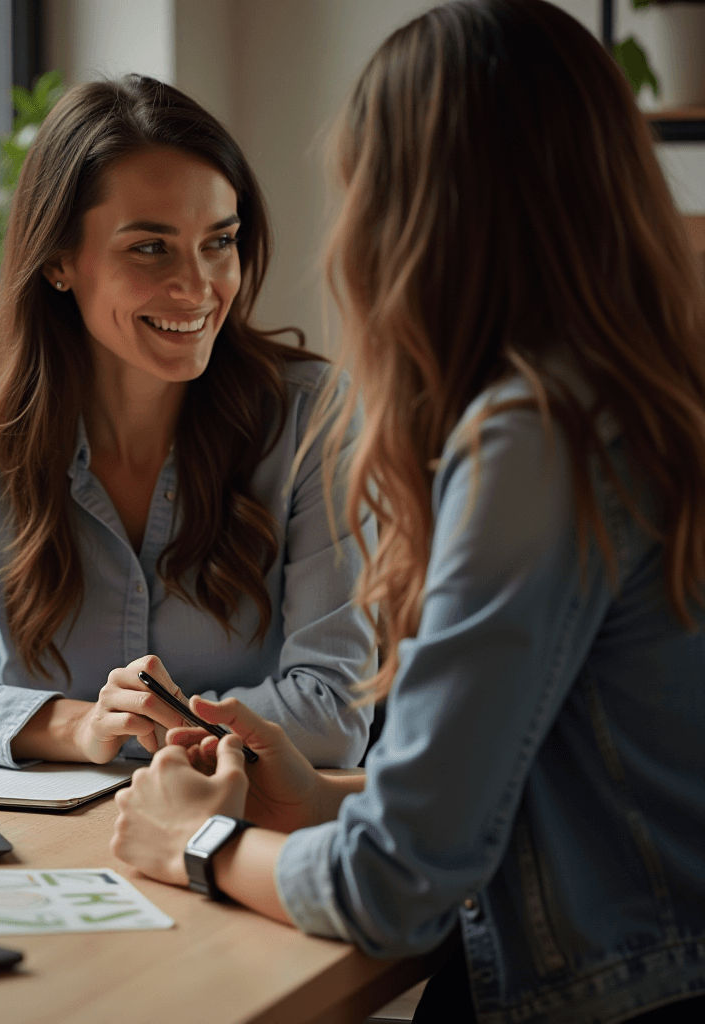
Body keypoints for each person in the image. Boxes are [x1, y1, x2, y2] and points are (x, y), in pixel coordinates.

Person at [109, 3, 705, 1022]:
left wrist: (193, 844)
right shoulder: (644, 396)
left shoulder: (536, 438)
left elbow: (394, 890)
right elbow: (545, 787)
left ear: (412, 212)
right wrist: (318, 795)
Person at [0, 77, 375, 771]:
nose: (199, 287)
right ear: (58, 260)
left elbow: (334, 711)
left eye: (219, 241)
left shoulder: (313, 418)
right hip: (44, 847)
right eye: (151, 248)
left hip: (235, 834)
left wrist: (153, 731)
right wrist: (76, 726)